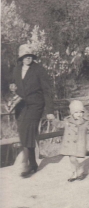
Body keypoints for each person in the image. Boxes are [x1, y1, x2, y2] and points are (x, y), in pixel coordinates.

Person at [10, 44, 55, 178]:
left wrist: (50, 110)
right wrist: (12, 87)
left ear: (32, 57)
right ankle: (33, 163)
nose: (28, 58)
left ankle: (27, 164)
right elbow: (13, 83)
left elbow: (47, 90)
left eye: (30, 56)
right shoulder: (16, 69)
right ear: (21, 57)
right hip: (21, 105)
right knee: (23, 131)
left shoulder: (39, 69)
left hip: (35, 105)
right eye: (25, 56)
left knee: (28, 129)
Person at [54, 100, 89, 182]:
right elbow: (59, 125)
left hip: (79, 144)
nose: (79, 114)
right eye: (76, 112)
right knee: (72, 159)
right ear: (72, 113)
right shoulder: (67, 121)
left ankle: (78, 171)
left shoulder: (85, 122)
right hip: (70, 144)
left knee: (76, 159)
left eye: (81, 112)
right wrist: (53, 120)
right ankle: (74, 173)